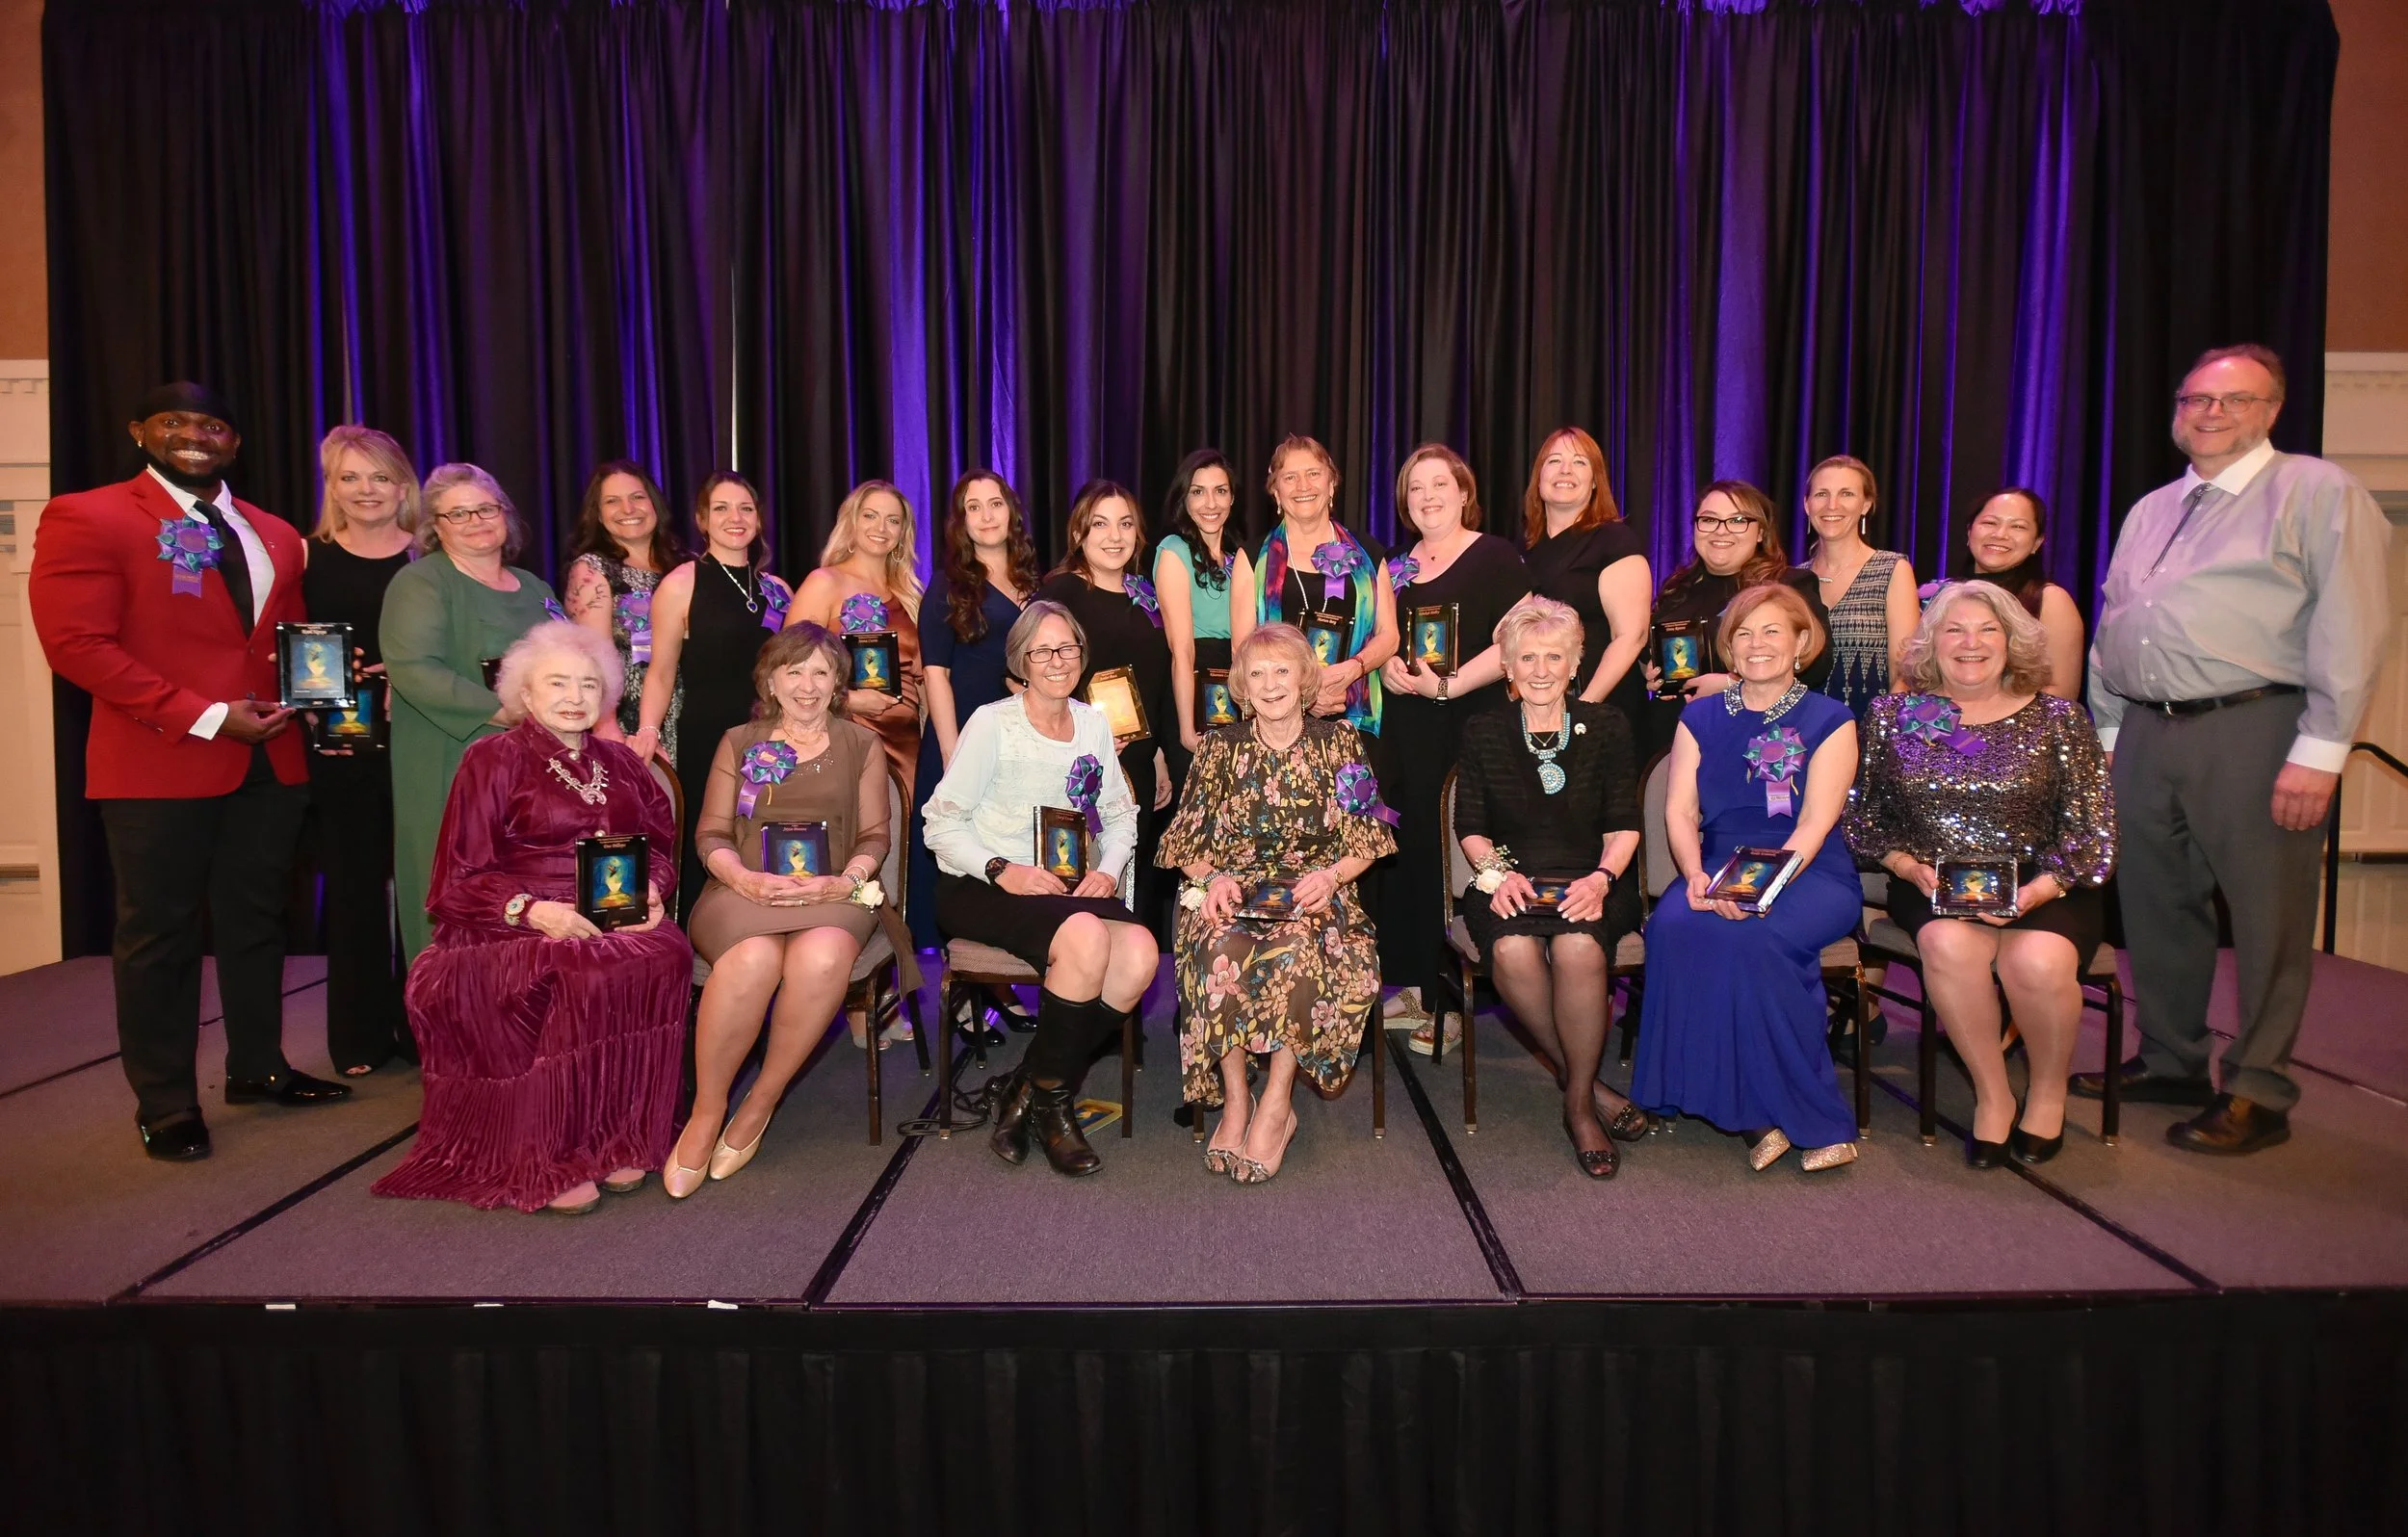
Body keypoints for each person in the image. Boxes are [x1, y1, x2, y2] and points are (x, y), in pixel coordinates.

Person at [2079, 343, 2392, 1155]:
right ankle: (2172, 1058)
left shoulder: (2317, 492)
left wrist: (2322, 751)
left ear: (2272, 410)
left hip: (2255, 726)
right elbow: (2116, 622)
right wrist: (2109, 732)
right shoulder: (2152, 508)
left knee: (2266, 918)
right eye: (2196, 400)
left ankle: (2260, 1088)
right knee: (2155, 907)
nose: (2211, 413)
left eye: (2234, 400)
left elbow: (2353, 625)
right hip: (2145, 728)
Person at [29, 381, 349, 1159]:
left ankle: (258, 1067)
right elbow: (76, 645)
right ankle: (167, 1102)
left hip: (270, 756)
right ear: (139, 431)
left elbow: (284, 637)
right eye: (174, 422)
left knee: (257, 922)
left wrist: (316, 694)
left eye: (213, 425)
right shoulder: (90, 515)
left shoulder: (276, 533)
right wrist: (204, 715)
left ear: (234, 442)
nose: (195, 435)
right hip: (159, 759)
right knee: (160, 934)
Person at [372, 621, 689, 1211]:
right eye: (558, 683)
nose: (575, 697)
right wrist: (535, 913)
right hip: (510, 923)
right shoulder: (492, 758)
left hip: (615, 912)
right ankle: (555, 1152)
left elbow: (660, 846)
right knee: (577, 968)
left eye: (588, 684)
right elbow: (458, 877)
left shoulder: (621, 763)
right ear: (525, 692)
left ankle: (617, 1135)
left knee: (665, 950)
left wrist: (651, 891)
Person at [1845, 582, 2116, 1166]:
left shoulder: (2060, 720)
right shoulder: (1896, 717)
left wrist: (2038, 890)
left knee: (2035, 962)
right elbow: (1864, 817)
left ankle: (2047, 1093)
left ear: (2012, 642)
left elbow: (2092, 833)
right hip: (1931, 879)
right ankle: (1993, 1096)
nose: (1971, 643)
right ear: (1931, 644)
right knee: (1948, 945)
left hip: (2046, 882)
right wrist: (1905, 865)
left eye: (1988, 630)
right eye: (1955, 630)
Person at [668, 624, 915, 1195]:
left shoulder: (861, 745)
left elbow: (875, 837)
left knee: (823, 957)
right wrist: (744, 879)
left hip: (834, 891)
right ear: (771, 681)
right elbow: (711, 834)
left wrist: (843, 882)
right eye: (794, 671)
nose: (807, 685)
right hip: (742, 890)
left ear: (838, 683)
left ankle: (761, 1101)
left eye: (821, 672)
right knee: (752, 959)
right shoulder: (739, 741)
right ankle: (707, 1111)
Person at [1631, 584, 1862, 1171]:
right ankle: (1744, 1109)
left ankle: (1807, 1114)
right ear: (1728, 648)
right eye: (1744, 634)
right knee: (1674, 927)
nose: (1758, 644)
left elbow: (1815, 823)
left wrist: (1760, 888)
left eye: (1773, 631)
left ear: (1801, 642)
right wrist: (1694, 875)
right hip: (1714, 862)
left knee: (1754, 936)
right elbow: (1680, 812)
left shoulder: (1831, 719)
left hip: (1808, 870)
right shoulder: (1699, 716)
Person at [1158, 623, 1396, 1183]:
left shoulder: (1339, 743)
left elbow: (1369, 838)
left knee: (1296, 948)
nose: (1270, 685)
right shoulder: (1219, 747)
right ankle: (1237, 1098)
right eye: (1257, 674)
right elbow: (1184, 840)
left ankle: (1277, 1102)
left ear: (1305, 678)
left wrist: (1332, 878)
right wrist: (1213, 877)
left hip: (1314, 890)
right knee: (1216, 945)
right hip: (1232, 888)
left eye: (1282, 671)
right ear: (1241, 685)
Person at [921, 602, 1148, 1177]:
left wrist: (1108, 869)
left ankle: (1026, 1086)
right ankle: (1055, 1109)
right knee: (1086, 938)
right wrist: (1002, 868)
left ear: (1081, 655)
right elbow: (939, 823)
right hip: (984, 884)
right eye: (1042, 650)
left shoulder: (1094, 723)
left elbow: (1120, 815)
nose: (1056, 661)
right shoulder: (992, 723)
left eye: (1067, 648)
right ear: (1020, 660)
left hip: (1066, 888)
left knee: (1142, 953)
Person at [1452, 597, 1645, 1175]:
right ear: (1507, 667)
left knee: (1579, 947)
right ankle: (1585, 1087)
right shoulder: (1484, 730)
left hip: (1594, 877)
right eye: (1527, 658)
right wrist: (1495, 875)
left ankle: (1578, 1107)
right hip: (1507, 878)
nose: (1540, 670)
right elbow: (1471, 826)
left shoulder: (1607, 726)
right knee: (1512, 949)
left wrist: (1603, 879)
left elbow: (1624, 824)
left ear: (1575, 662)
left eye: (1554, 657)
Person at [1365, 443, 1530, 1045]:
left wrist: (1449, 684)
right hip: (1407, 731)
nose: (1428, 497)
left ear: (1464, 493)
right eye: (1416, 488)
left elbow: (1516, 638)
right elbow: (1382, 636)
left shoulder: (1495, 556)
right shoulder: (1394, 566)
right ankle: (1416, 987)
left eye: (1440, 484)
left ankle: (1454, 1005)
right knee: (1410, 855)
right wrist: (1386, 668)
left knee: (1456, 853)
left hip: (1469, 725)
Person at [381, 463, 563, 963]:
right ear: (435, 527)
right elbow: (415, 670)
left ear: (505, 514)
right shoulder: (420, 582)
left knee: (530, 896)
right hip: (452, 760)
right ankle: (446, 1005)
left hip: (533, 766)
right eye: (458, 514)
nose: (476, 521)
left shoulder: (535, 587)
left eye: (486, 508)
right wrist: (509, 712)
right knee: (454, 887)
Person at [302, 425, 420, 1074]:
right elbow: (282, 643)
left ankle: (423, 1027)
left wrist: (411, 677)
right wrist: (305, 688)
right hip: (341, 746)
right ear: (332, 487)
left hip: (424, 739)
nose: (365, 490)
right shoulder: (305, 557)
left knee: (425, 891)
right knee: (353, 890)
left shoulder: (429, 556)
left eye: (379, 476)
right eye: (350, 477)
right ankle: (358, 1036)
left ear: (402, 487)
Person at [631, 473, 795, 914]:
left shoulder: (778, 589)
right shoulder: (681, 584)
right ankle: (699, 940)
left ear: (758, 518)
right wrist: (648, 730)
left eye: (745, 508)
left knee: (768, 836)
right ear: (702, 520)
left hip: (773, 735)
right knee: (710, 838)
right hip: (708, 734)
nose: (734, 518)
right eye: (721, 508)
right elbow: (660, 671)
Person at [1036, 481, 1177, 935]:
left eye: (1125, 524)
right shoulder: (1062, 592)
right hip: (1078, 761)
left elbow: (1155, 680)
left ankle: (1130, 971)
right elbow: (1022, 672)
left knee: (1135, 882)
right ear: (1079, 533)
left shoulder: (1146, 596)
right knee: (1079, 879)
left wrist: (1158, 755)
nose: (1115, 536)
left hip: (1137, 762)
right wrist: (1076, 733)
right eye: (1100, 524)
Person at [909, 470, 1035, 950]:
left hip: (1019, 738)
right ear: (961, 521)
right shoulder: (948, 585)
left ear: (1011, 511)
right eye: (973, 507)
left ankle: (1004, 960)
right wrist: (951, 750)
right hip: (961, 735)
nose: (986, 516)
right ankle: (953, 970)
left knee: (1007, 845)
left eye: (995, 504)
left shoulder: (1033, 581)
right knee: (959, 852)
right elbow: (935, 673)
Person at [1639, 481, 1831, 762]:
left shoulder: (1789, 585)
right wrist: (1654, 675)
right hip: (1673, 741)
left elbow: (1817, 665)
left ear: (1760, 532)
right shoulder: (1677, 589)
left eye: (1738, 521)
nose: (1721, 530)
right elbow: (1651, 655)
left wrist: (1732, 685)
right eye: (1709, 520)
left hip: (1757, 742)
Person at [1253, 434, 1397, 736]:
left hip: (1356, 722)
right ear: (1276, 492)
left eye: (1313, 474)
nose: (1303, 486)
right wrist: (1305, 694)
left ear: (1331, 485)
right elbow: (1243, 648)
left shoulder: (1369, 553)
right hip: (1281, 725)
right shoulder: (1253, 558)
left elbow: (1389, 634)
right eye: (1290, 477)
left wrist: (1354, 668)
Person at [791, 479, 926, 795]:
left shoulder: (910, 597)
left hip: (908, 744)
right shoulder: (824, 583)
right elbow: (787, 669)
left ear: (902, 533)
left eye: (893, 520)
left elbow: (922, 678)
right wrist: (848, 701)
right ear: (852, 521)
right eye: (870, 516)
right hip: (845, 732)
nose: (881, 527)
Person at [1518, 427, 1651, 733]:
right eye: (1554, 461)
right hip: (1538, 713)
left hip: (1599, 713)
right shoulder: (1521, 549)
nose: (1565, 470)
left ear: (1594, 482)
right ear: (1538, 477)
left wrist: (1583, 709)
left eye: (1579, 462)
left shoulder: (1615, 541)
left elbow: (1631, 637)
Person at [562, 460, 688, 761]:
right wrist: (607, 727)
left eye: (637, 497)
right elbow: (593, 657)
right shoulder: (592, 570)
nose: (628, 509)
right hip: (629, 723)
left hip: (693, 712)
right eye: (612, 501)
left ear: (655, 504)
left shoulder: (687, 565)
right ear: (598, 514)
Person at [1154, 449, 1258, 760]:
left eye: (1220, 491)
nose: (1210, 504)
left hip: (1236, 693)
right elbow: (1182, 651)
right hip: (1193, 696)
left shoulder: (1240, 558)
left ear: (1232, 498)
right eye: (1198, 492)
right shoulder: (1174, 551)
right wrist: (1187, 728)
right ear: (1184, 499)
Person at [1803, 455, 1921, 717]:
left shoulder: (1892, 568)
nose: (1832, 505)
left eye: (1846, 494)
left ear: (1865, 505)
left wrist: (1881, 730)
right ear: (1807, 504)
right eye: (1821, 494)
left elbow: (1904, 670)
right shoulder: (1793, 578)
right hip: (1801, 732)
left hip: (1869, 725)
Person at [1952, 487, 2085, 698]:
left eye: (2017, 526)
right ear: (1969, 532)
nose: (2000, 534)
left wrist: (1986, 713)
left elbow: (2062, 691)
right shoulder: (1941, 595)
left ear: (2037, 543)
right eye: (1990, 523)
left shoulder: (2050, 600)